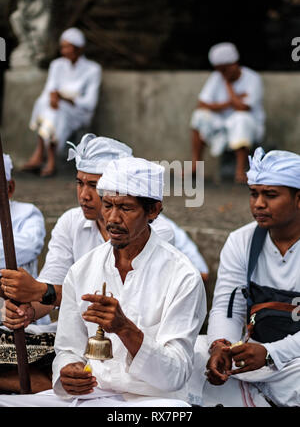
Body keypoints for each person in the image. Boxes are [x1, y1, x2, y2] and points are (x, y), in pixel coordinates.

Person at [1, 134, 208, 392]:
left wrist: (124, 329)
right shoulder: (83, 267)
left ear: (153, 211)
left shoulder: (182, 275)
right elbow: (67, 349)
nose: (113, 217)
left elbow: (175, 374)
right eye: (108, 205)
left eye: (126, 208)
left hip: (151, 399)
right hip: (93, 394)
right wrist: (68, 371)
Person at [188, 147, 300, 407]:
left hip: (290, 360)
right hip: (254, 355)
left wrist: (272, 354)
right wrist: (221, 346)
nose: (258, 203)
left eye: (270, 195)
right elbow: (228, 306)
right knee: (192, 354)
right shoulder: (241, 241)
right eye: (254, 193)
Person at [0, 153, 54, 394]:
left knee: (44, 377)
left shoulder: (27, 214)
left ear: (9, 187)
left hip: (21, 323)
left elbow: (21, 251)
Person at [22, 27, 102, 177]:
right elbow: (49, 89)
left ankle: (40, 154)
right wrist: (53, 97)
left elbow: (90, 103)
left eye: (67, 47)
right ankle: (49, 159)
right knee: (46, 105)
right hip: (57, 108)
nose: (64, 51)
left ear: (78, 49)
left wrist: (67, 98)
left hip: (78, 112)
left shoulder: (92, 69)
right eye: (62, 47)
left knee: (55, 111)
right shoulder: (57, 65)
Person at [190, 42, 265, 183]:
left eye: (224, 69)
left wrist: (228, 87)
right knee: (199, 117)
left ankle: (240, 170)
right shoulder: (217, 77)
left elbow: (243, 109)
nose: (221, 73)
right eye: (219, 70)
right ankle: (196, 166)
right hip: (222, 124)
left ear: (234, 63)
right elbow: (201, 104)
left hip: (249, 127)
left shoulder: (253, 78)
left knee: (241, 119)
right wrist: (231, 102)